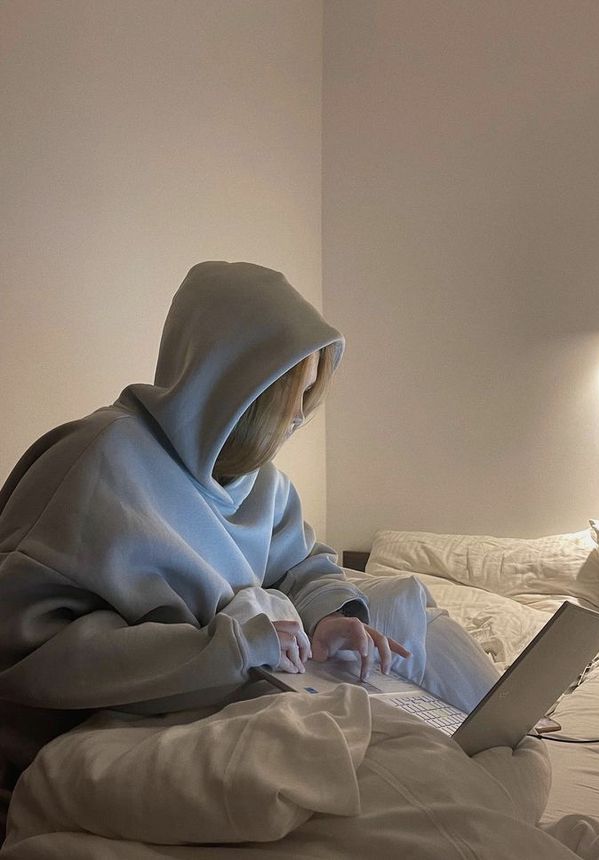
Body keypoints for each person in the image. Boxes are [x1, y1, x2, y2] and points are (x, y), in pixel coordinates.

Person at [0, 261, 498, 836]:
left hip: (224, 697)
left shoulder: (263, 483)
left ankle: (484, 757)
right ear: (228, 380)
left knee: (414, 669)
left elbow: (304, 565)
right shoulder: (100, 461)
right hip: (109, 729)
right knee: (387, 788)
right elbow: (21, 651)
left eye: (311, 391)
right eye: (290, 392)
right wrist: (223, 648)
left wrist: (333, 613)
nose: (298, 414)